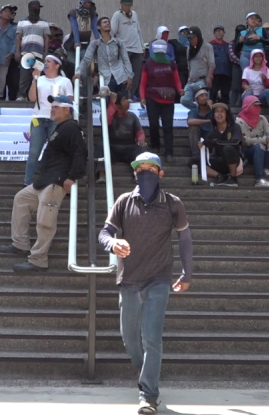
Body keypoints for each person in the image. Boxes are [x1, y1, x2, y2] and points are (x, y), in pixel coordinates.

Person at [98, 152, 192, 415]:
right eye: (141, 169)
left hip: (159, 279)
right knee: (130, 338)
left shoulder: (173, 204)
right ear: (135, 173)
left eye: (151, 169)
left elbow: (185, 239)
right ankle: (146, 374)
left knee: (152, 338)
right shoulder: (124, 201)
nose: (145, 173)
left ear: (161, 174)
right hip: (128, 279)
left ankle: (148, 395)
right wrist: (112, 243)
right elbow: (104, 232)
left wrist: (187, 273)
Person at [1, 94, 86, 272]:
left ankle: (38, 260)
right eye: (52, 106)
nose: (52, 109)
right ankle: (20, 244)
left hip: (55, 183)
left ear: (67, 110)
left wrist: (71, 177)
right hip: (43, 182)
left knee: (45, 222)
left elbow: (81, 153)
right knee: (21, 200)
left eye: (56, 106)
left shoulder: (71, 127)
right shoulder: (61, 128)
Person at [24, 54, 74, 187]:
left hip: (56, 120)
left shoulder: (64, 81)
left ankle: (55, 180)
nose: (45, 63)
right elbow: (32, 98)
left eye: (49, 61)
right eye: (44, 61)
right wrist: (35, 79)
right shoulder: (40, 79)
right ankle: (27, 182)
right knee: (34, 152)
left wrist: (59, 99)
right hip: (38, 119)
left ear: (57, 65)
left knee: (56, 152)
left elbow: (71, 99)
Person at [141, 39, 182, 163]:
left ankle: (169, 152)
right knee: (153, 124)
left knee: (168, 126)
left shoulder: (171, 63)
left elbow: (177, 79)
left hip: (168, 100)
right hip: (152, 98)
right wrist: (142, 97)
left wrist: (180, 89)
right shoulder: (148, 64)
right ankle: (155, 146)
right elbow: (143, 83)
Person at [97, 91, 147, 183]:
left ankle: (138, 175)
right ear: (118, 105)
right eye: (124, 100)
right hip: (112, 146)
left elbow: (139, 132)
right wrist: (112, 103)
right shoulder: (105, 115)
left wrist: (141, 139)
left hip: (129, 146)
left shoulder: (132, 116)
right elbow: (106, 122)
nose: (128, 101)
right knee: (100, 146)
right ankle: (102, 175)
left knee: (142, 148)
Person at [76, 16, 133, 93]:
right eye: (104, 22)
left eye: (108, 22)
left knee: (124, 103)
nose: (107, 23)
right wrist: (78, 73)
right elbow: (86, 60)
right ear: (98, 27)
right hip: (106, 79)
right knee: (108, 103)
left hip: (121, 78)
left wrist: (130, 77)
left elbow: (126, 60)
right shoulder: (95, 44)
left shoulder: (119, 42)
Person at [235, 95, 269, 187]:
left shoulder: (262, 118)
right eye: (255, 105)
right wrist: (264, 140)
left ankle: (265, 167)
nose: (258, 108)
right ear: (247, 106)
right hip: (247, 151)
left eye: (259, 105)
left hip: (262, 148)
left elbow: (268, 131)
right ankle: (259, 178)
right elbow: (246, 141)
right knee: (258, 146)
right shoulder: (240, 122)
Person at [111, 0, 145, 98]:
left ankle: (131, 96)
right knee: (126, 76)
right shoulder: (117, 15)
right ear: (120, 4)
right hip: (125, 49)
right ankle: (124, 97)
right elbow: (112, 32)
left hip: (137, 49)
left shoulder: (134, 14)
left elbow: (138, 30)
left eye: (129, 5)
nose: (127, 7)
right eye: (125, 5)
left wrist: (142, 46)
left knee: (136, 75)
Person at [15, 0, 51, 100]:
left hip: (39, 54)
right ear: (29, 9)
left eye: (38, 8)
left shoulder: (44, 23)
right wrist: (17, 52)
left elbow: (46, 38)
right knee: (24, 76)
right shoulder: (22, 22)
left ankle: (37, 96)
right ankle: (22, 95)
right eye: (34, 8)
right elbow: (18, 37)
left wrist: (46, 53)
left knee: (38, 76)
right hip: (25, 53)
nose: (36, 10)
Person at [201, 102, 242, 187]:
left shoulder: (235, 127)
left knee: (228, 148)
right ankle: (220, 176)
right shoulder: (212, 132)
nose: (219, 114)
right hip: (219, 162)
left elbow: (236, 142)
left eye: (222, 111)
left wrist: (215, 142)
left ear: (226, 114)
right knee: (194, 161)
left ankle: (233, 179)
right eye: (216, 111)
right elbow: (207, 143)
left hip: (234, 161)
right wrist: (202, 144)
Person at [180, 26, 215, 109]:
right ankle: (198, 110)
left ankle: (204, 111)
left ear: (198, 36)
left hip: (202, 80)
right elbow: (189, 66)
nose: (191, 40)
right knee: (184, 100)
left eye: (193, 38)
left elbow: (212, 64)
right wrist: (189, 78)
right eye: (189, 38)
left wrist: (209, 77)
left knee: (203, 100)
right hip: (191, 81)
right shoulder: (189, 49)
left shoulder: (208, 47)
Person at [241, 49, 269, 120]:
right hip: (250, 95)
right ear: (252, 58)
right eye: (256, 56)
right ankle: (244, 114)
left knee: (268, 92)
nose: (258, 58)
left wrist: (265, 79)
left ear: (263, 58)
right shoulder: (247, 70)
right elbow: (244, 82)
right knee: (249, 92)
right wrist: (246, 87)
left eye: (260, 56)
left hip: (261, 97)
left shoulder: (266, 70)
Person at [209, 25, 237, 104]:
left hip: (226, 73)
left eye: (220, 31)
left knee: (225, 93)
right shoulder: (209, 45)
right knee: (213, 93)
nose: (219, 33)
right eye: (217, 31)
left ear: (224, 33)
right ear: (214, 33)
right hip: (214, 73)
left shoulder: (228, 45)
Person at [187, 88, 214, 158]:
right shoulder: (194, 111)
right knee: (193, 128)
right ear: (196, 99)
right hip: (199, 135)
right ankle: (196, 155)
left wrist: (211, 107)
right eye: (202, 96)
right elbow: (190, 121)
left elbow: (219, 119)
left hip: (211, 134)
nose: (205, 98)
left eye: (206, 96)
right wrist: (208, 121)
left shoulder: (213, 109)